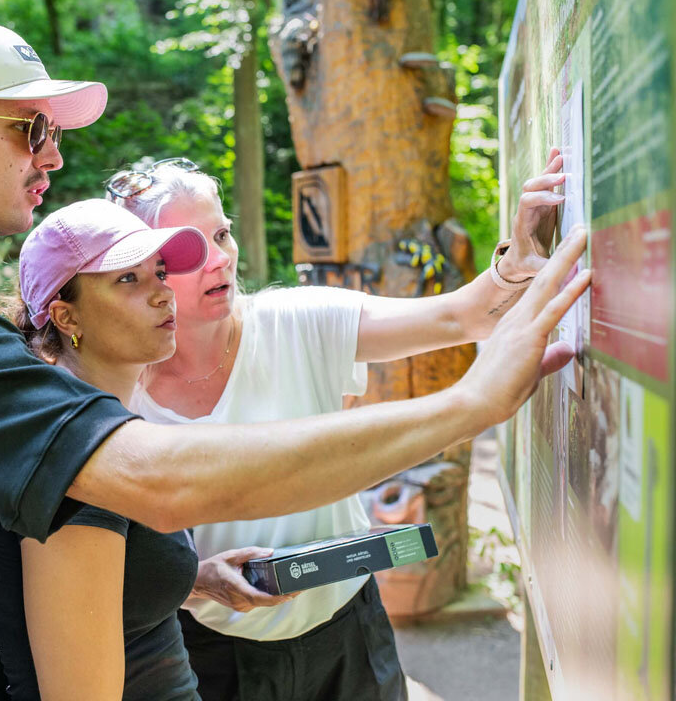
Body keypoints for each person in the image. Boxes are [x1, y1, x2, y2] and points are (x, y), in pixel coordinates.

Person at [0, 22, 589, 700]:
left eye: (54, 133)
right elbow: (150, 481)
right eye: (28, 129)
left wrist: (188, 576)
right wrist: (472, 403)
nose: (52, 156)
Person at [109, 155, 567, 701]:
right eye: (190, 248)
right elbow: (103, 558)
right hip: (209, 653)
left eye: (223, 235)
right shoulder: (116, 390)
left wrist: (515, 263)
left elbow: (462, 316)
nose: (221, 260)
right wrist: (193, 582)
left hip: (350, 630)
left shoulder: (295, 321)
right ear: (140, 270)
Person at [0, 198, 232, 700]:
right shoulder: (74, 456)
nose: (163, 293)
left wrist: (199, 579)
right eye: (128, 279)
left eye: (160, 272)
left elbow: (112, 595)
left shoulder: (92, 425)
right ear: (65, 316)